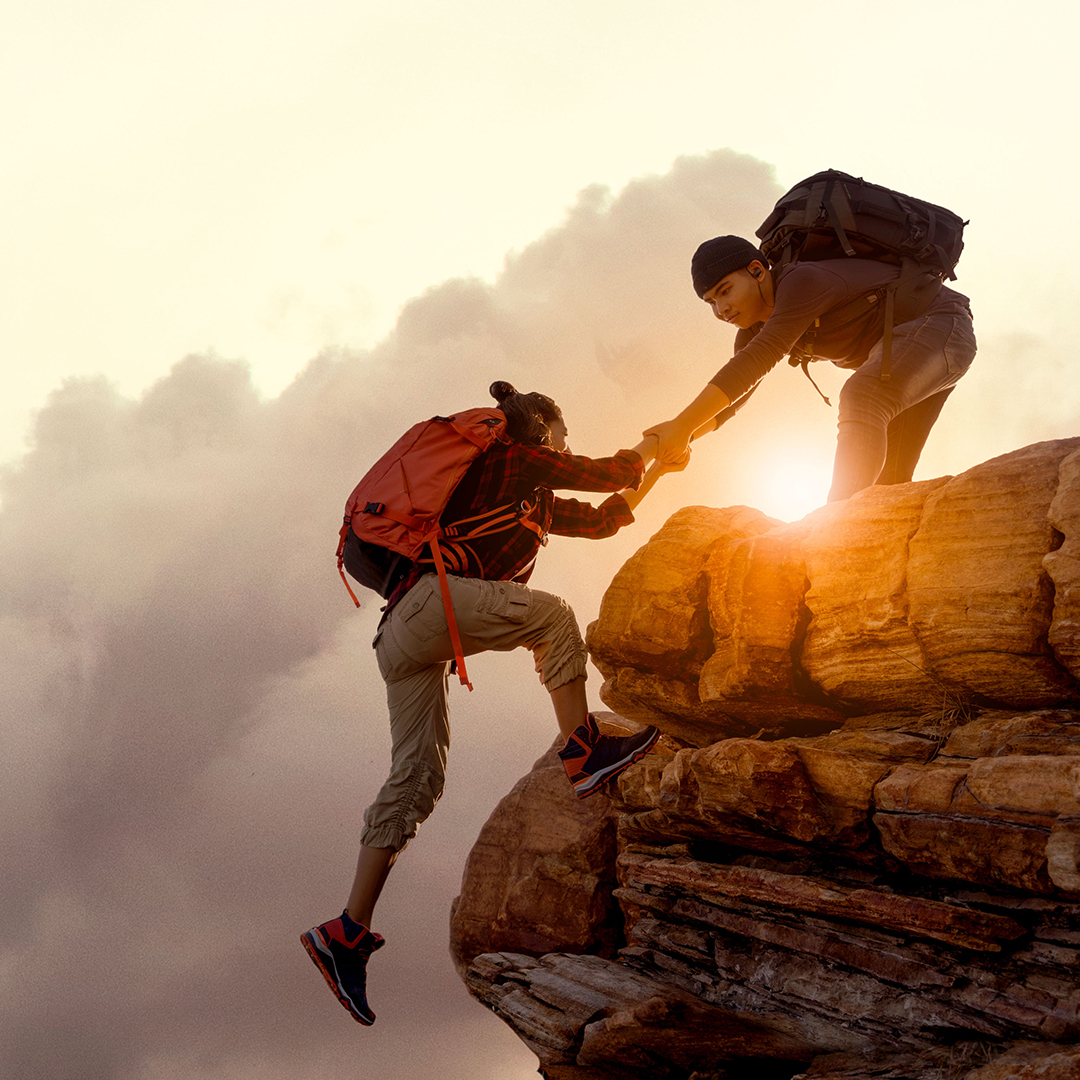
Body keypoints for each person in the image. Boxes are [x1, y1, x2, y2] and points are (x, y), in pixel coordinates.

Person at [301, 381, 678, 1026]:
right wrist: (657, 444)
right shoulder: (509, 459)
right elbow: (604, 472)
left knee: (417, 780)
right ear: (541, 429)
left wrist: (657, 472)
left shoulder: (531, 502)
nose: (564, 446)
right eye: (560, 434)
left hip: (403, 636)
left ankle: (345, 934)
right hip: (428, 606)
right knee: (554, 617)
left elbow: (606, 515)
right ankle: (584, 751)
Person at [645, 234, 978, 502]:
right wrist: (679, 440)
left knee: (863, 396)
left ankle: (834, 527)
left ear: (758, 270)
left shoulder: (802, 282)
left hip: (943, 327)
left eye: (725, 291)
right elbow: (733, 400)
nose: (721, 309)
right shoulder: (753, 330)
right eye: (711, 302)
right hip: (902, 358)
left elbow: (760, 358)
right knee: (886, 493)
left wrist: (681, 427)